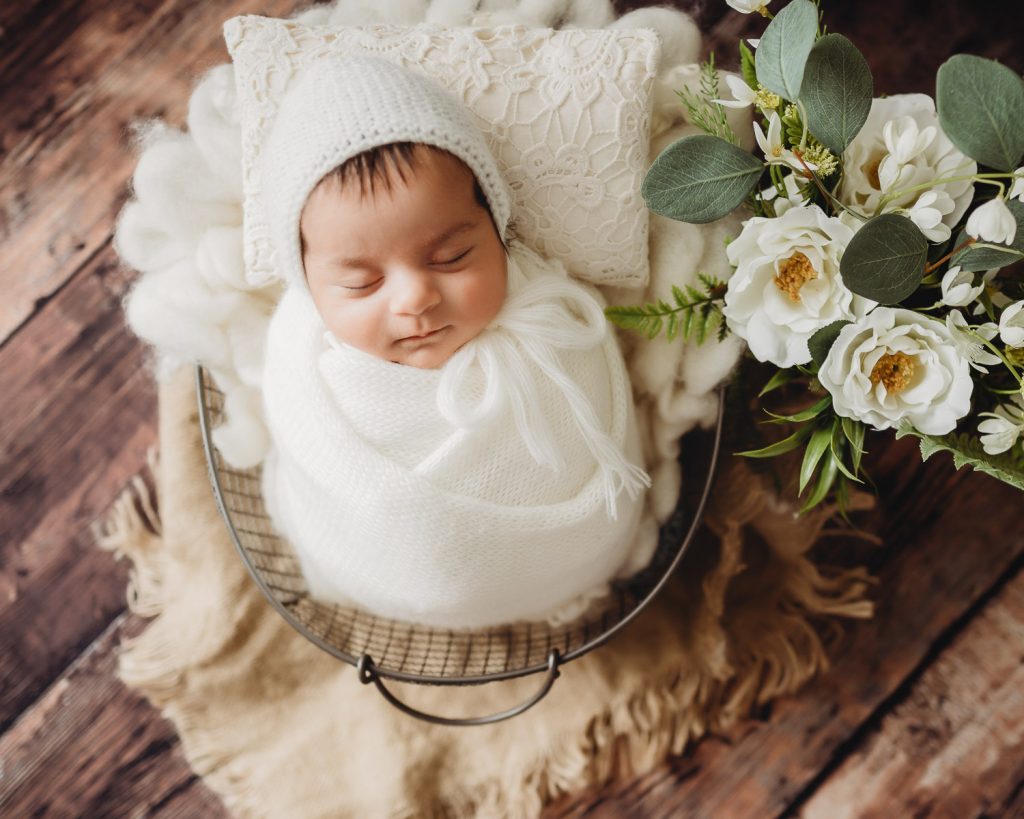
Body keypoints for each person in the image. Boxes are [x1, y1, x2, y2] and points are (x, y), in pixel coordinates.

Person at [258, 56, 657, 629]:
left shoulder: (554, 323)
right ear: (308, 287)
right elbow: (318, 463)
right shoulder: (302, 358)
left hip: (570, 566)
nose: (414, 298)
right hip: (382, 571)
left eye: (452, 257)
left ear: (497, 231)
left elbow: (591, 431)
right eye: (361, 282)